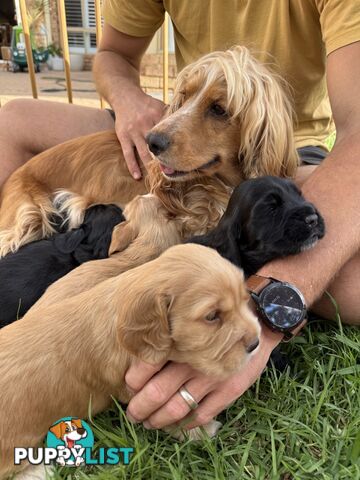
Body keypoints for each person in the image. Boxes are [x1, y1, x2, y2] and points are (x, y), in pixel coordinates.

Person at [0, 0, 359, 433]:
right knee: (15, 120)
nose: (161, 139)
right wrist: (133, 103)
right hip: (164, 128)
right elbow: (113, 54)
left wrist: (276, 298)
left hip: (288, 150)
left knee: (350, 279)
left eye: (218, 109)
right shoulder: (166, 131)